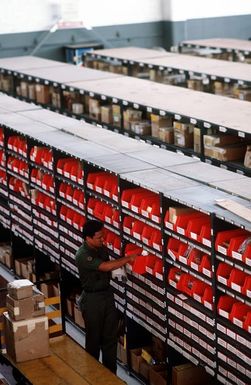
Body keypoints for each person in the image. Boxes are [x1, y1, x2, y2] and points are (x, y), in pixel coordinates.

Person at [75, 219, 137, 374]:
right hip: (92, 300)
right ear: (87, 238)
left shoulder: (101, 249)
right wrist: (128, 259)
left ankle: (110, 376)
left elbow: (110, 268)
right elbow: (105, 266)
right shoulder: (82, 254)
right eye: (99, 238)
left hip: (107, 295)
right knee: (94, 341)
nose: (102, 240)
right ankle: (93, 376)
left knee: (110, 339)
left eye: (103, 237)